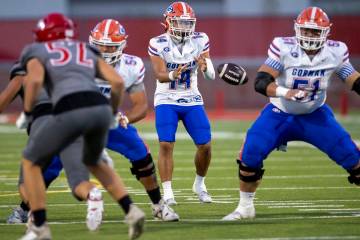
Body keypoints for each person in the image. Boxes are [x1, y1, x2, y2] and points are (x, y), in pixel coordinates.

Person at [222, 6, 360, 221]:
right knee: (251, 152)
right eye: (306, 30)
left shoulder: (336, 51)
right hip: (280, 113)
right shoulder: (283, 47)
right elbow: (261, 82)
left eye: (315, 31)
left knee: (353, 158)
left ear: (326, 32)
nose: (310, 35)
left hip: (315, 114)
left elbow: (353, 79)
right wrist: (287, 92)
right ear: (297, 28)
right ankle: (245, 207)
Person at [18, 13, 144, 240]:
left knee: (31, 161)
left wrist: (27, 113)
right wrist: (113, 112)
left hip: (69, 109)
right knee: (95, 162)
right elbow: (117, 81)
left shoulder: (37, 51)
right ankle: (131, 211)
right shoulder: (86, 51)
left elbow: (34, 81)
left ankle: (39, 227)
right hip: (100, 109)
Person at [89, 18, 179, 221]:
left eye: (109, 47)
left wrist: (124, 118)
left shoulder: (131, 65)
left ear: (121, 47)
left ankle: (158, 205)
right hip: (79, 121)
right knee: (52, 160)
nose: (103, 50)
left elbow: (141, 106)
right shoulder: (79, 62)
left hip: (110, 120)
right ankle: (28, 209)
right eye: (99, 45)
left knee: (142, 156)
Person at [2, 63, 106, 232]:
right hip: (76, 122)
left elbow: (4, 101)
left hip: (45, 122)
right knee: (79, 181)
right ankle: (91, 194)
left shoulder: (24, 68)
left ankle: (33, 214)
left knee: (26, 178)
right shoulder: (70, 66)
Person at [148, 1, 216, 205]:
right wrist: (172, 74)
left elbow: (211, 75)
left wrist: (206, 67)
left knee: (205, 145)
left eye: (188, 23)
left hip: (191, 97)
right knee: (166, 144)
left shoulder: (201, 39)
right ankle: (168, 192)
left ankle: (199, 183)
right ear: (168, 22)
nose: (184, 27)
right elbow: (159, 75)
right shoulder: (157, 43)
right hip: (166, 98)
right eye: (179, 22)